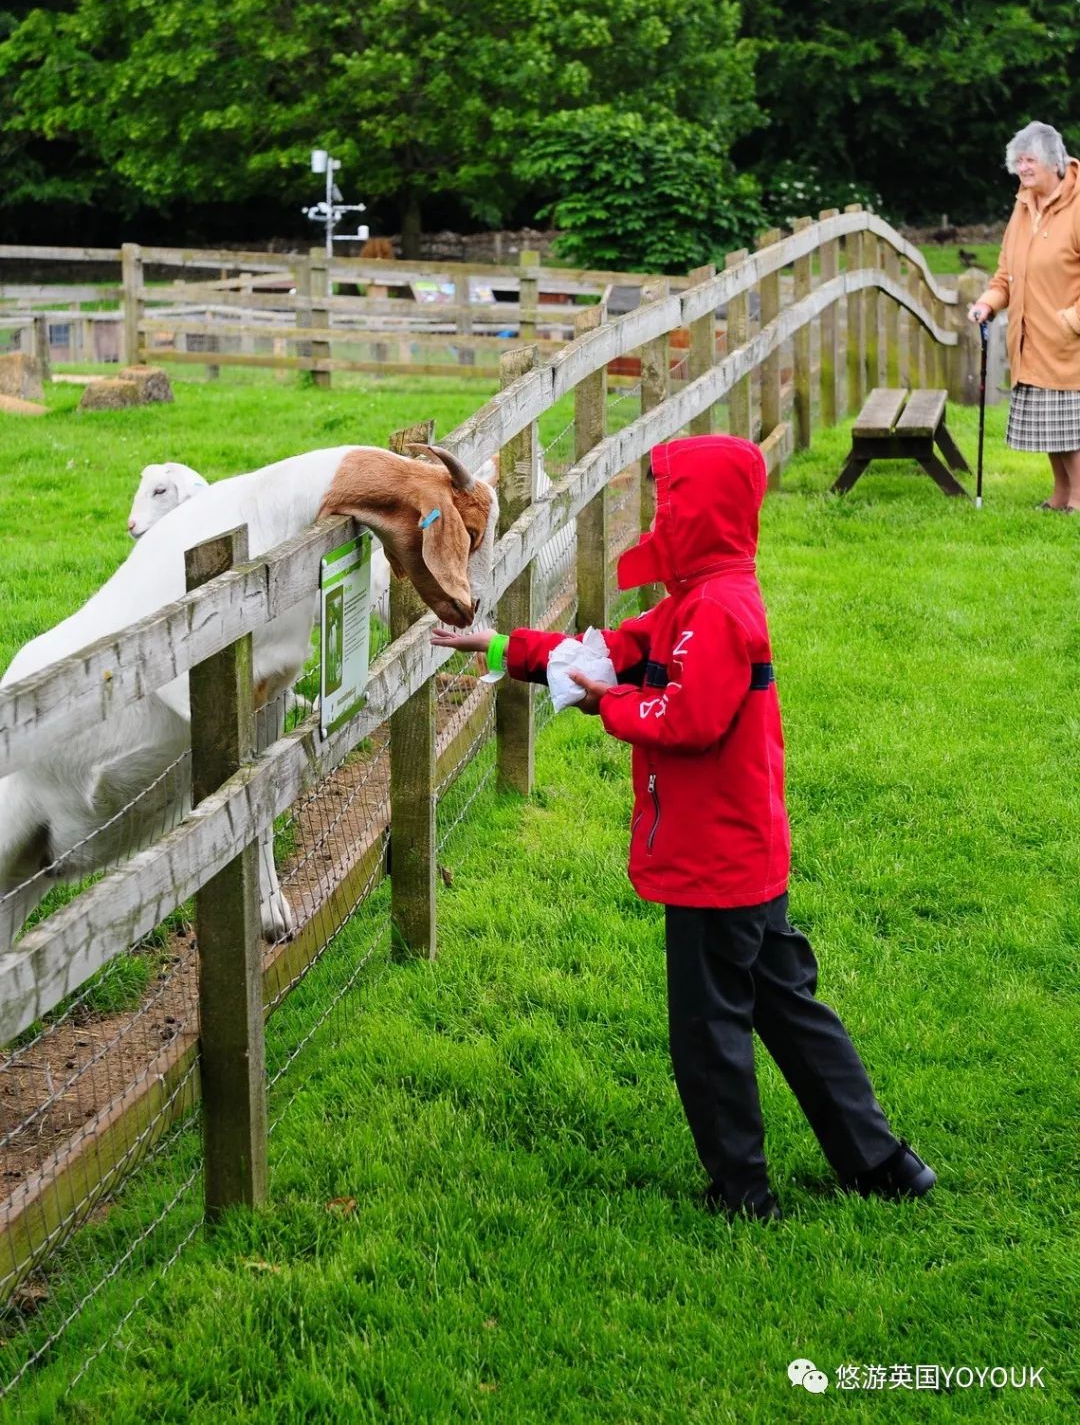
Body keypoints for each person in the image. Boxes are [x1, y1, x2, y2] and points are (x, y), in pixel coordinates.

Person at [433, 435, 935, 1221]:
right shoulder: (698, 602)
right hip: (746, 854)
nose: (663, 516)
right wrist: (504, 647)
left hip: (714, 865)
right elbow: (611, 651)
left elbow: (688, 717)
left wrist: (610, 707)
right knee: (790, 1010)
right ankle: (883, 1165)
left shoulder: (719, 612)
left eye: (672, 502)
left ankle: (742, 1193)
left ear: (706, 511)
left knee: (708, 1035)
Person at [967, 121, 1080, 511]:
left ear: (1053, 161)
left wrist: (1072, 322)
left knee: (1070, 429)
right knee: (1051, 428)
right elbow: (1006, 273)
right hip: (1030, 337)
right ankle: (1060, 495)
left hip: (1068, 340)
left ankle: (1078, 499)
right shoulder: (1023, 205)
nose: (1022, 167)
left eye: (1029, 159)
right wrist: (988, 302)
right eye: (1018, 160)